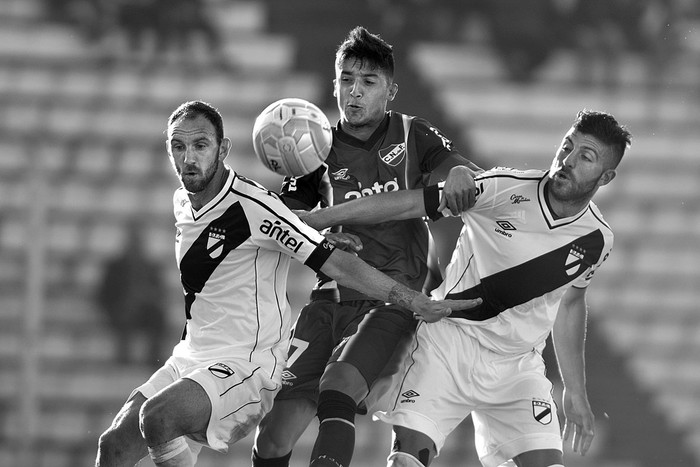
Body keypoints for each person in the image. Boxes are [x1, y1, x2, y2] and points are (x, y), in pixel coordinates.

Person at [93, 100, 480, 467]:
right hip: (191, 355)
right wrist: (313, 228)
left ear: (223, 148)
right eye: (178, 146)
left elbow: (341, 266)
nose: (188, 158)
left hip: (245, 363)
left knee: (157, 417)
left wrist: (411, 299)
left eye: (200, 145)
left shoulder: (255, 207)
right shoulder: (184, 199)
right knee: (112, 446)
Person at [301, 109, 632, 467]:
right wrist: (319, 218)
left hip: (516, 367)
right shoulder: (503, 188)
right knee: (407, 461)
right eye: (567, 146)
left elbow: (570, 302)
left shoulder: (598, 239)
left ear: (606, 176)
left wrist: (575, 391)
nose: (567, 161)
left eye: (585, 157)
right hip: (448, 347)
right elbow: (407, 204)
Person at [252, 26, 482, 467]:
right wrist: (315, 234)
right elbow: (287, 223)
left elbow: (456, 169)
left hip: (391, 297)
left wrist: (457, 172)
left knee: (337, 388)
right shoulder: (313, 146)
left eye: (367, 82)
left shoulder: (413, 134)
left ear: (390, 91)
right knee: (274, 437)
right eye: (346, 80)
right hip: (328, 299)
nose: (353, 93)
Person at [96, 220, 168, 367]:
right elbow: (103, 294)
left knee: (157, 316)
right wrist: (116, 306)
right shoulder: (115, 266)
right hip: (120, 310)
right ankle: (123, 358)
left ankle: (153, 359)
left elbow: (160, 293)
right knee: (126, 313)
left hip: (144, 310)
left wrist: (147, 296)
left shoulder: (150, 267)